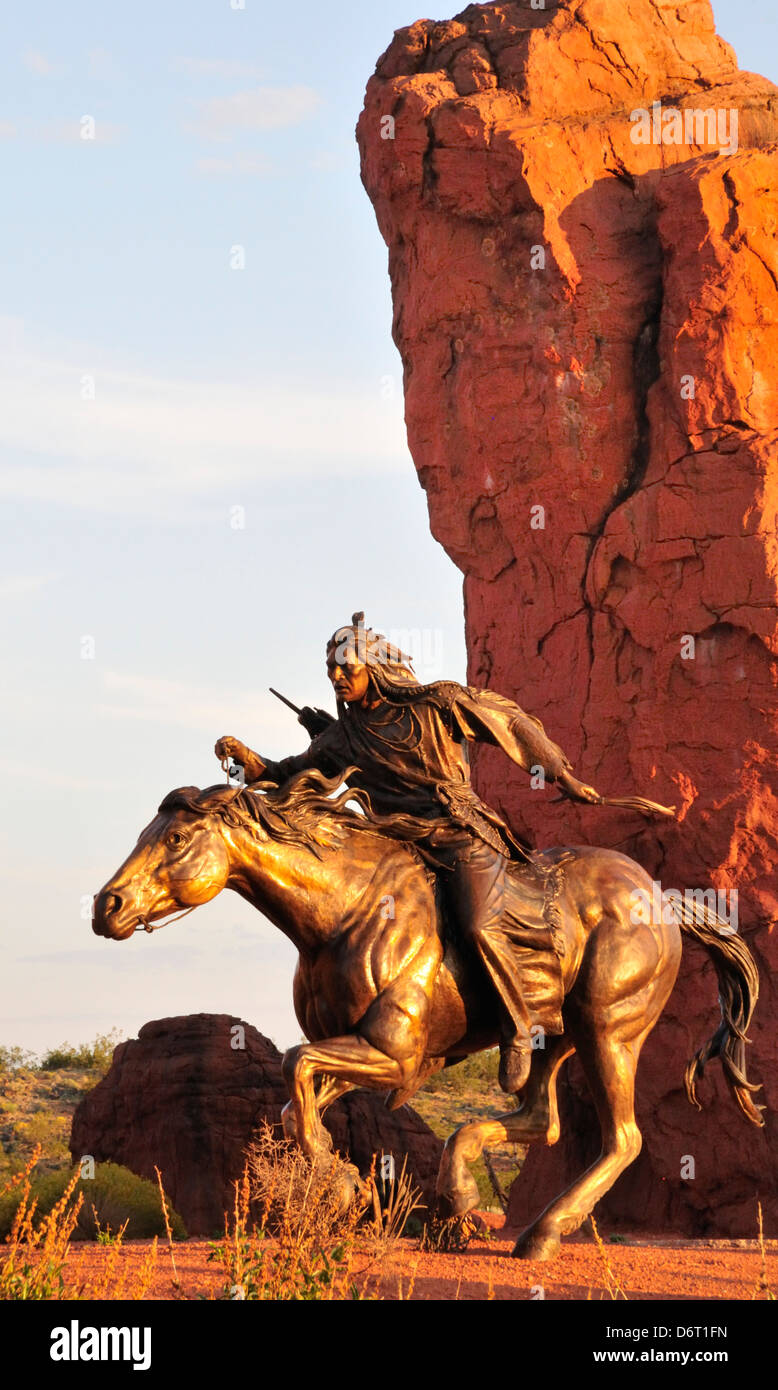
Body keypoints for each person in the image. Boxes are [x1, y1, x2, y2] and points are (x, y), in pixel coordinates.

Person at [215, 613, 669, 1094]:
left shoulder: (437, 704)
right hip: (393, 846)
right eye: (330, 669)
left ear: (374, 665)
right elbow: (289, 775)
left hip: (459, 837)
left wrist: (559, 772)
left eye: (346, 666)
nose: (336, 676)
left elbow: (509, 722)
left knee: (477, 924)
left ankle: (518, 1028)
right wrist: (249, 763)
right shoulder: (342, 739)